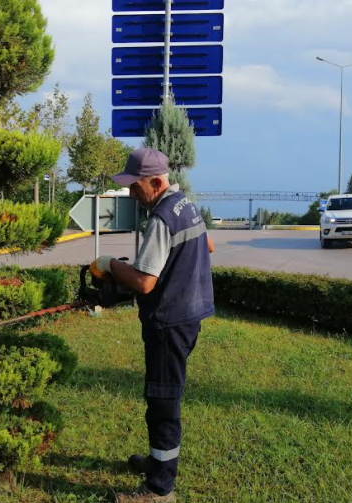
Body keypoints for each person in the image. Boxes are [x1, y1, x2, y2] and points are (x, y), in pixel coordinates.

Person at [90, 147, 215, 503]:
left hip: (169, 321)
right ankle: (157, 461)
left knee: (163, 401)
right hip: (191, 315)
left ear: (157, 182)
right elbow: (209, 245)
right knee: (163, 393)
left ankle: (160, 489)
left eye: (135, 186)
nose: (131, 193)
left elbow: (145, 282)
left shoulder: (161, 217)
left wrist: (111, 264)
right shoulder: (186, 205)